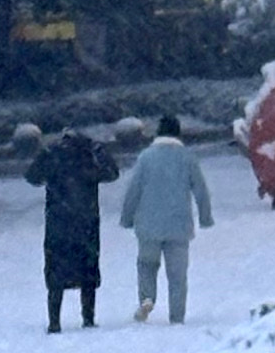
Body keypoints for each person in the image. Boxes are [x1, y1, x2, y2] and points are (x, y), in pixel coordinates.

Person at [119, 114, 216, 323]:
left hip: (148, 225)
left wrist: (127, 218)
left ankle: (147, 299)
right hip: (179, 226)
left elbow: (133, 190)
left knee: (147, 265)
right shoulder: (187, 157)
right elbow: (200, 189)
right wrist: (205, 217)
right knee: (178, 276)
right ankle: (177, 316)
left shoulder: (146, 157)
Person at [25, 122, 121, 330]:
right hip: (85, 221)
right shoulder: (88, 156)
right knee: (87, 269)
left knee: (56, 272)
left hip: (58, 222)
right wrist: (99, 151)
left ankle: (54, 321)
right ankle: (88, 317)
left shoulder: (52, 155)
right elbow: (112, 173)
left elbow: (31, 177)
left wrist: (45, 156)